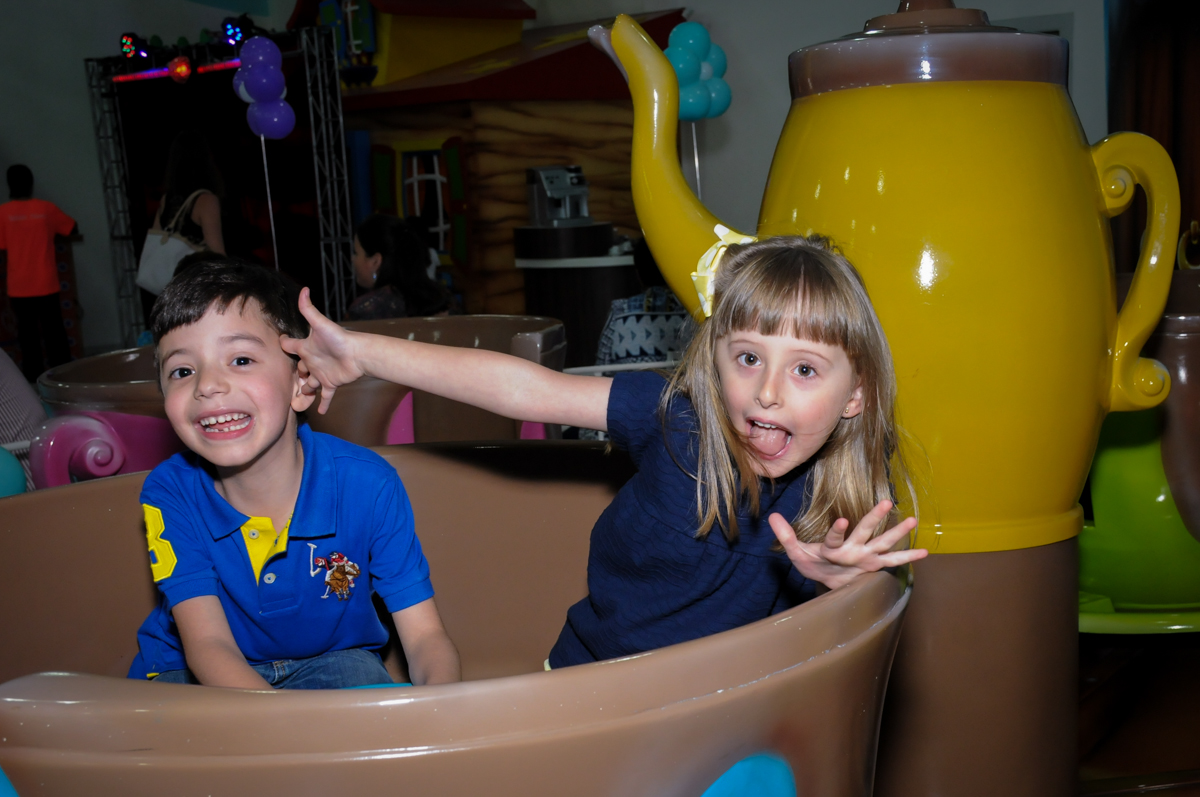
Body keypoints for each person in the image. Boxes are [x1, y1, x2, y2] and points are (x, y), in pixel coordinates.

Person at [284, 234, 928, 668]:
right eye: (750, 357)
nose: (767, 392)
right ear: (716, 361)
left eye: (806, 371)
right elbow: (525, 391)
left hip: (723, 704)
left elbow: (857, 646)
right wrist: (363, 352)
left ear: (857, 396)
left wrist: (838, 586)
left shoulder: (851, 505)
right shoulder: (679, 420)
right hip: (588, 676)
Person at [129, 259, 460, 689]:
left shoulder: (369, 485)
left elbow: (426, 637)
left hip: (332, 660)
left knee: (375, 715)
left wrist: (441, 715)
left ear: (301, 384)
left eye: (241, 359)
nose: (207, 385)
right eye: (182, 371)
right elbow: (208, 646)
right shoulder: (169, 491)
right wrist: (288, 736)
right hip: (194, 670)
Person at [140, 130, 226, 326]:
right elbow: (217, 254)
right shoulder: (206, 200)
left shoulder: (166, 200)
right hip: (198, 288)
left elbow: (157, 236)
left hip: (171, 287)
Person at [0, 164, 77, 382]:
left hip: (19, 286)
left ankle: (34, 380)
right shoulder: (46, 209)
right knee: (55, 333)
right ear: (31, 184)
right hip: (46, 282)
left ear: (9, 185)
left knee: (27, 337)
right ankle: (64, 377)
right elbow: (72, 228)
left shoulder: (3, 213)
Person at [347, 214, 449, 321]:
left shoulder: (366, 310)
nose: (352, 259)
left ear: (375, 261)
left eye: (356, 253)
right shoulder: (442, 300)